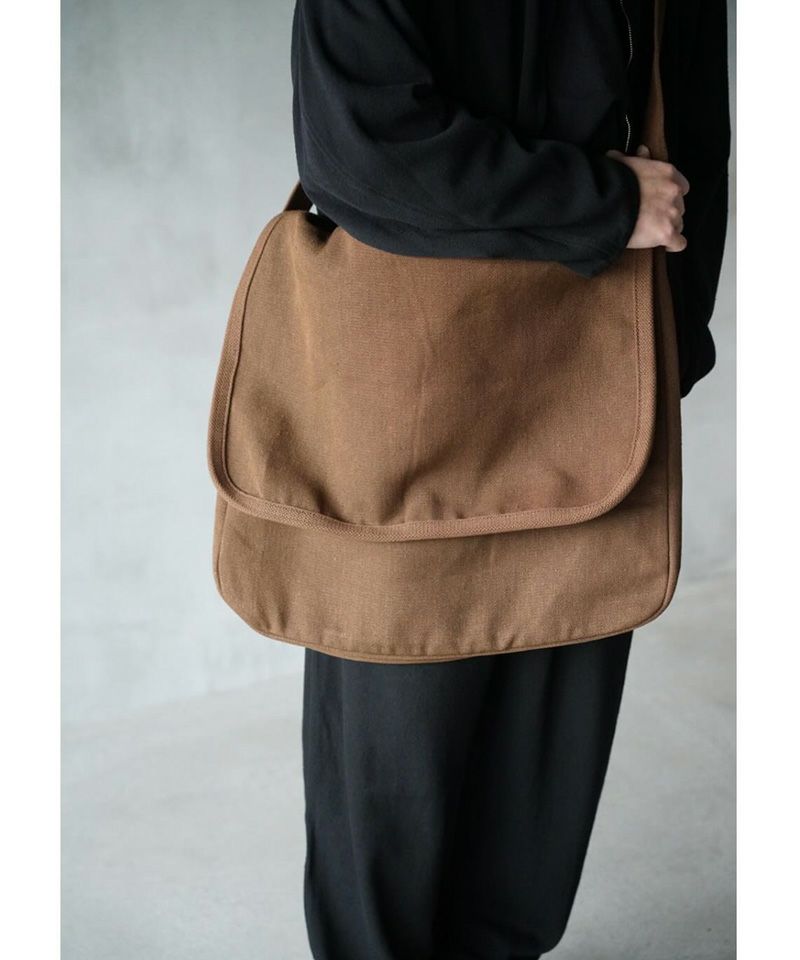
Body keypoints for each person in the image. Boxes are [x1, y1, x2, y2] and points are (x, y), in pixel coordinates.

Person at [290, 1, 730, 958]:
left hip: (592, 388)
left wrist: (671, 342)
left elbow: (692, 127)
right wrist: (603, 204)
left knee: (543, 773)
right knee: (394, 760)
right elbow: (358, 145)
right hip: (412, 415)